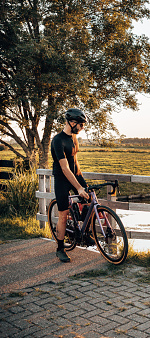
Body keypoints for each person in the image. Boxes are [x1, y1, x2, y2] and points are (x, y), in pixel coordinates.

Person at [50, 108, 90, 262]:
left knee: (90, 200)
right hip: (62, 179)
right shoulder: (57, 140)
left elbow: (74, 160)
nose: (82, 128)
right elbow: (65, 168)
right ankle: (60, 248)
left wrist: (81, 182)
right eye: (81, 124)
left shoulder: (74, 137)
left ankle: (83, 234)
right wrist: (78, 188)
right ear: (72, 122)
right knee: (63, 215)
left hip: (76, 175)